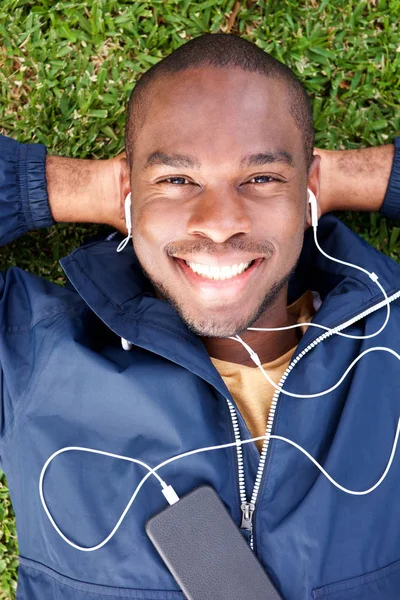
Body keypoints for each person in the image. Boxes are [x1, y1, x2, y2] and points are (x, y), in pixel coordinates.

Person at [0, 33, 399, 600]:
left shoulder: (391, 340)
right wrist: (91, 189)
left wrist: (326, 182)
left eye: (261, 178)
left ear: (307, 189)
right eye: (177, 180)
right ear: (129, 194)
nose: (218, 222)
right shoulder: (31, 353)